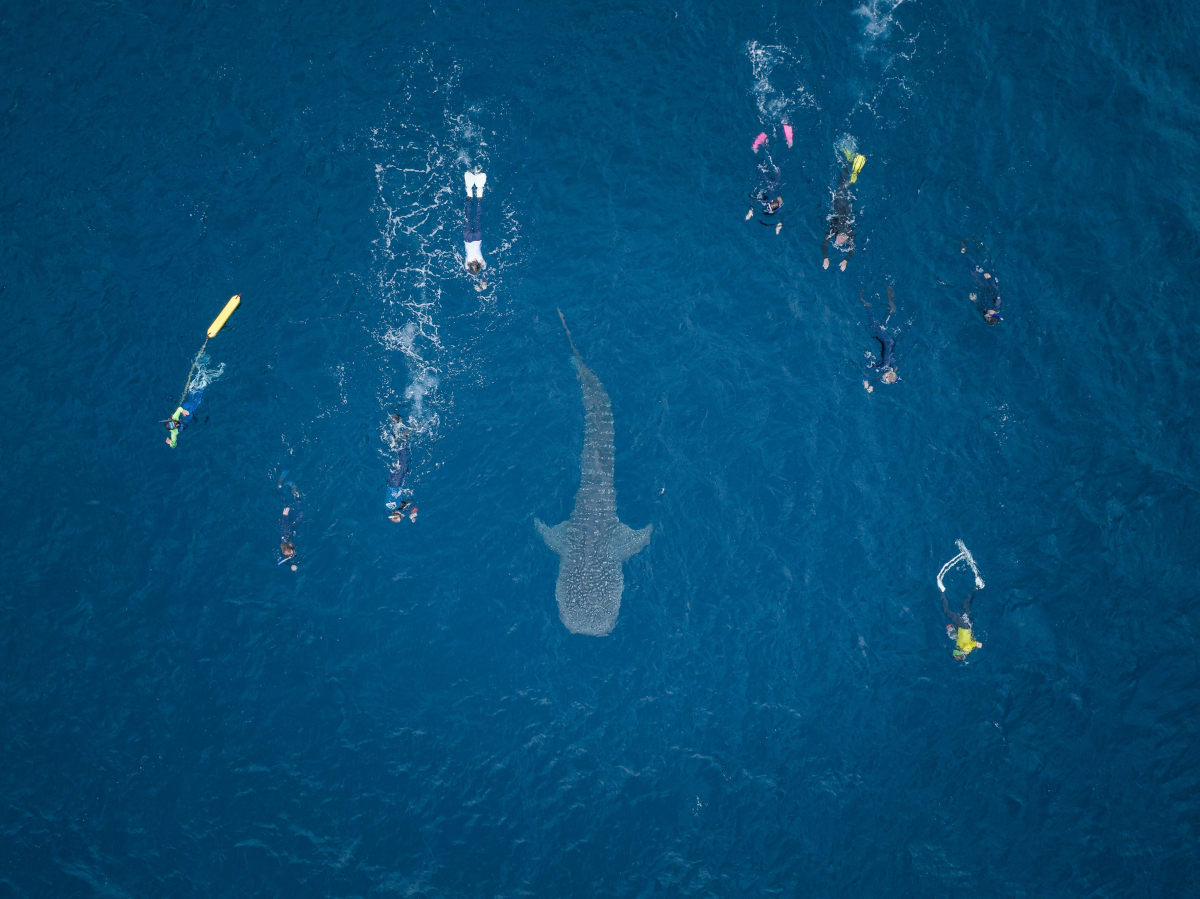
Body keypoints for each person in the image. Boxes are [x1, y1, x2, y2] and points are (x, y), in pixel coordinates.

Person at [745, 141, 786, 234]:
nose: (767, 208)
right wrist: (750, 210)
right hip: (771, 184)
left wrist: (780, 224)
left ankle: (761, 148)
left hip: (777, 184)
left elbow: (783, 215)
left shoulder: (778, 204)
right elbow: (753, 200)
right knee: (759, 171)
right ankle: (756, 151)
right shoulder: (767, 200)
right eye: (768, 207)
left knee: (778, 167)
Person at [385, 414, 419, 523]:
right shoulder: (388, 507)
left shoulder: (398, 506)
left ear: (398, 513)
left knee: (403, 462)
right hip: (390, 481)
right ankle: (395, 427)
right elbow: (401, 507)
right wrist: (409, 514)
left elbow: (409, 501)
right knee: (399, 460)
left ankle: (404, 437)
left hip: (397, 482)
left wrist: (413, 510)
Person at [961, 240, 1003, 324]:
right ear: (993, 314)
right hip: (987, 283)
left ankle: (967, 252)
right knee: (980, 264)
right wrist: (990, 279)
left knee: (972, 271)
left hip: (981, 287)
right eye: (987, 317)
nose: (985, 316)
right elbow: (996, 290)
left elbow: (979, 307)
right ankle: (975, 246)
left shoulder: (984, 311)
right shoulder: (996, 304)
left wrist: (974, 300)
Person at [463, 170, 488, 288]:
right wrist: (475, 284)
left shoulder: (481, 261)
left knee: (478, 216)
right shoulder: (467, 262)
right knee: (468, 217)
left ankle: (479, 195)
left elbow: (485, 271)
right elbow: (468, 273)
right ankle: (469, 195)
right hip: (468, 238)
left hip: (477, 237)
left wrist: (484, 282)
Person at [942, 589, 982, 660]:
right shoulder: (965, 649)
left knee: (965, 604)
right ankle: (942, 591)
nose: (956, 648)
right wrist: (977, 644)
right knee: (946, 611)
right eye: (957, 650)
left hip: (962, 627)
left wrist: (953, 627)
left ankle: (976, 588)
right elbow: (970, 644)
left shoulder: (958, 647)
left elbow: (959, 638)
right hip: (964, 627)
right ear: (961, 652)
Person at [279, 473, 301, 569]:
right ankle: (296, 493)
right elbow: (288, 561)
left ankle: (280, 485)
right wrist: (292, 565)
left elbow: (284, 526)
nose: (293, 552)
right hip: (291, 529)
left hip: (287, 526)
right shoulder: (286, 554)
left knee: (285, 503)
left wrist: (285, 516)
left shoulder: (285, 537)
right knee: (301, 515)